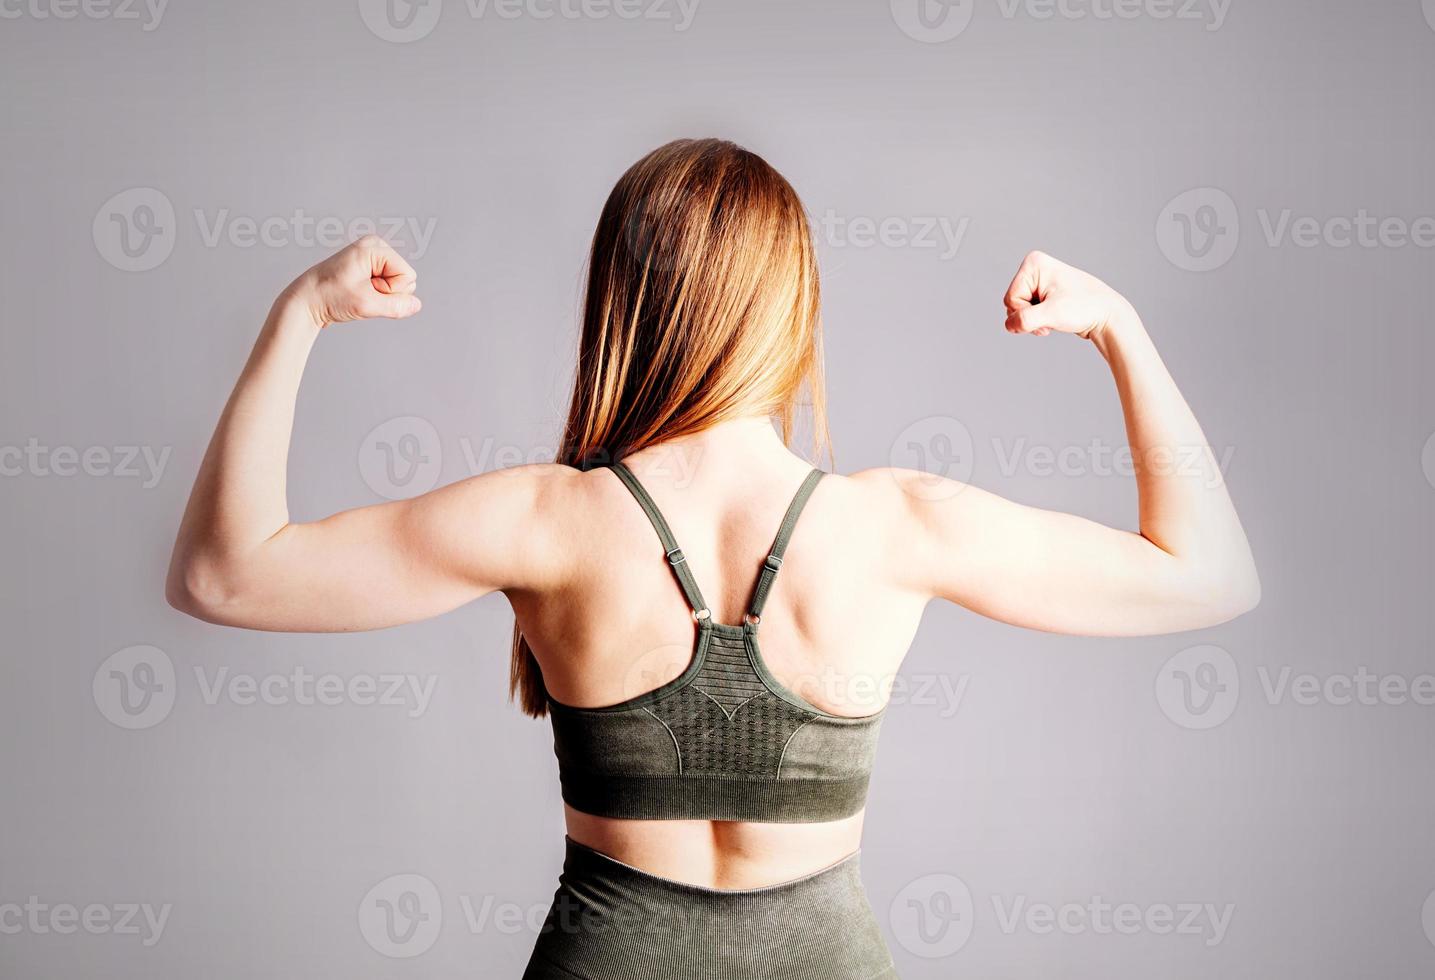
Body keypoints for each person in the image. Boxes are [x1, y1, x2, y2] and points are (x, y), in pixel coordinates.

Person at [166, 138, 1259, 978]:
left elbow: (221, 573)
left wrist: (300, 313)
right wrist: (1116, 326)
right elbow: (1211, 573)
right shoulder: (897, 524)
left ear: (622, 305)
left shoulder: (545, 520)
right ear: (791, 306)